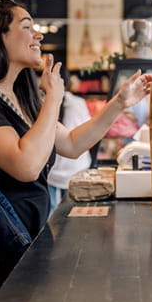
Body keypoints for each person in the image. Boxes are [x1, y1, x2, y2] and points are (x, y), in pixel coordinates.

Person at [0, 0, 152, 302]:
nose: (38, 35)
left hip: (25, 233)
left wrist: (119, 103)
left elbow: (72, 144)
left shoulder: (19, 97)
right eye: (27, 26)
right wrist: (54, 97)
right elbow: (25, 167)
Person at [47, 67, 92, 215]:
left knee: (50, 210)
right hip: (76, 166)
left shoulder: (43, 102)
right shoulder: (79, 102)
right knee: (73, 210)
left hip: (51, 168)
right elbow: (87, 130)